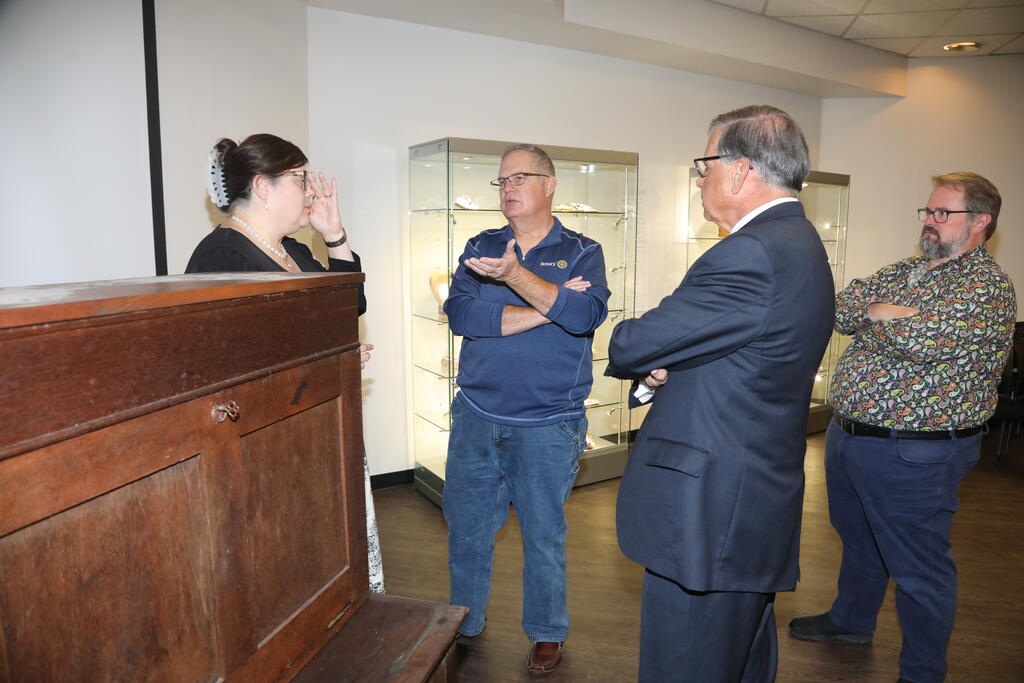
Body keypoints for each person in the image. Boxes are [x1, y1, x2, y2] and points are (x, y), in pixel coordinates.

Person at [606, 105, 835, 682]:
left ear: (739, 170)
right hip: (748, 500)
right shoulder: (798, 241)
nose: (699, 177)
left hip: (710, 514)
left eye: (704, 164)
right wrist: (672, 366)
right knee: (741, 661)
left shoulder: (750, 252)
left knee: (686, 665)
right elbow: (745, 357)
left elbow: (632, 343)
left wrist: (652, 352)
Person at [789, 172, 1016, 683]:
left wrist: (886, 320)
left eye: (943, 213)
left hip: (917, 452)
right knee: (859, 537)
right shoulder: (906, 270)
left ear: (980, 221)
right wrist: (883, 313)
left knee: (919, 566)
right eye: (928, 212)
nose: (930, 222)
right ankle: (851, 620)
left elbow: (924, 341)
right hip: (850, 436)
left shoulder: (986, 287)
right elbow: (841, 309)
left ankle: (922, 671)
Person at [185, 133, 382, 593]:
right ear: (264, 187)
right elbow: (233, 368)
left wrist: (334, 236)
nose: (311, 190)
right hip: (265, 441)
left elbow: (351, 305)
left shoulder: (290, 250)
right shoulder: (222, 257)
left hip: (314, 420)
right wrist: (329, 362)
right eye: (299, 178)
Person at [442, 144, 610, 674]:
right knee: (467, 529)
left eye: (520, 177)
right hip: (475, 413)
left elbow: (584, 315)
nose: (508, 188)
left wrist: (516, 281)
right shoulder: (481, 244)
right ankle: (465, 619)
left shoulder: (583, 250)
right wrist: (546, 307)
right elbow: (462, 314)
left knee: (543, 534)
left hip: (547, 422)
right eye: (501, 180)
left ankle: (546, 632)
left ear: (550, 184)